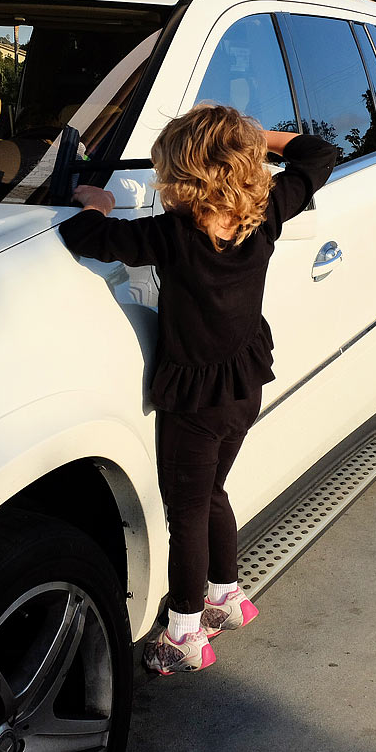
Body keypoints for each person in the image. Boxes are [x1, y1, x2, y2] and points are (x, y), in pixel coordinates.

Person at [58, 104, 338, 675]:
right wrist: (256, 139)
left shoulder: (172, 235)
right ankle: (226, 595)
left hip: (192, 404)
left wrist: (96, 203)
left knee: (184, 511)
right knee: (213, 494)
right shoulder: (267, 214)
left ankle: (184, 631)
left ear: (184, 182)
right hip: (244, 387)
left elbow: (88, 238)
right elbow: (318, 155)